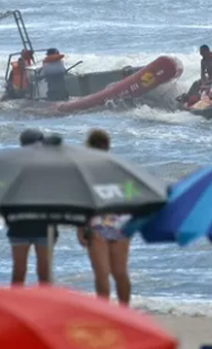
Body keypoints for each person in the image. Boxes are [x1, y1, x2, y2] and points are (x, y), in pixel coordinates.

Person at [77, 129, 132, 305]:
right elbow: (130, 197)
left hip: (97, 222)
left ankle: (104, 313)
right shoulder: (122, 168)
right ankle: (125, 312)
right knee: (120, 272)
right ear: (108, 146)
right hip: (121, 222)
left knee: (102, 273)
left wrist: (80, 228)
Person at [3, 128, 56, 285]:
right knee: (43, 273)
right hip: (41, 224)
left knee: (20, 271)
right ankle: (44, 307)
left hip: (21, 223)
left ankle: (16, 306)